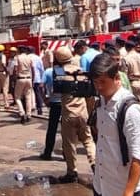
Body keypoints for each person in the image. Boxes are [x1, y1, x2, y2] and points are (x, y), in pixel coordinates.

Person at [91, 53, 140, 196]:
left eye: (103, 82)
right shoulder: (101, 103)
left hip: (126, 189)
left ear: (116, 78)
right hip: (102, 187)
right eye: (95, 82)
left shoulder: (130, 109)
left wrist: (128, 192)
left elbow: (138, 156)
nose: (99, 87)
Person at [51, 47, 96, 183]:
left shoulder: (59, 72)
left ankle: (72, 172)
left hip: (68, 113)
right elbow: (89, 95)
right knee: (88, 140)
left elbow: (56, 90)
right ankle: (94, 164)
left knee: (69, 144)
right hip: (83, 112)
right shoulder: (81, 71)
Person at [39, 60, 61, 161]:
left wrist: (45, 99)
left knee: (52, 129)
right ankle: (67, 154)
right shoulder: (65, 71)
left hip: (54, 103)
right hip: (65, 103)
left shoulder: (48, 71)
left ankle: (47, 153)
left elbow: (41, 86)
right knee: (66, 130)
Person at [12, 44, 36, 124]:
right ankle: (29, 115)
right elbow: (33, 69)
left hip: (20, 78)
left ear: (19, 50)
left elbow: (15, 69)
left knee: (17, 97)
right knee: (28, 97)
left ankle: (22, 113)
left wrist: (14, 79)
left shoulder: (17, 57)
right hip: (29, 78)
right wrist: (32, 79)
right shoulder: (29, 57)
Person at [123, 38, 140, 107]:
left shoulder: (125, 59)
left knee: (138, 105)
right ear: (134, 47)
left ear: (126, 48)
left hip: (133, 84)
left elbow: (124, 74)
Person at [29, 46, 46, 116]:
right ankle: (39, 109)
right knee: (37, 93)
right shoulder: (38, 58)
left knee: (28, 94)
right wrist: (42, 79)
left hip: (29, 78)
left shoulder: (27, 57)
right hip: (37, 78)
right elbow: (42, 69)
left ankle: (29, 108)